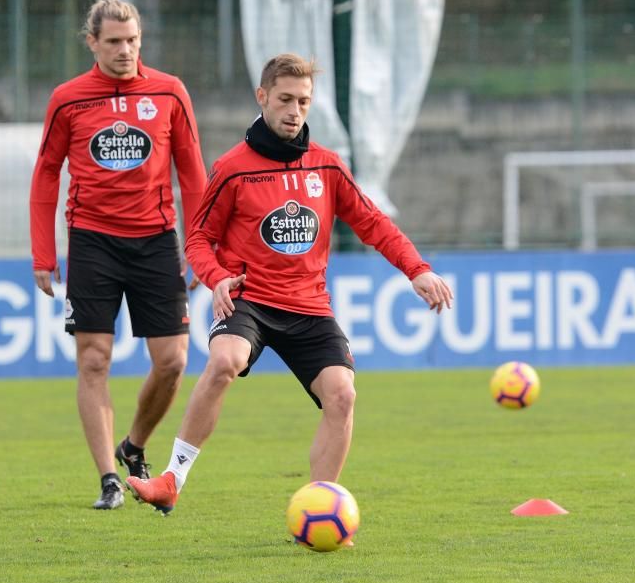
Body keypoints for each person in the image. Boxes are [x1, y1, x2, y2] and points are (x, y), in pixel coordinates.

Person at [126, 53, 453, 519]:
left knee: (342, 393)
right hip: (249, 298)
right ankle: (172, 480)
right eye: (284, 99)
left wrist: (416, 269)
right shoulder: (233, 168)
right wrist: (217, 277)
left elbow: (373, 223)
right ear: (262, 98)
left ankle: (320, 507)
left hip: (308, 306)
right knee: (224, 361)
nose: (294, 110)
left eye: (303, 101)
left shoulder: (327, 167)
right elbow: (198, 238)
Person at [30, 0, 208, 509]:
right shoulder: (67, 98)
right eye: (114, 41)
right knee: (93, 360)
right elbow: (45, 174)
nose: (125, 50)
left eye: (132, 40)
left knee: (173, 361)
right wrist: (44, 254)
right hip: (92, 242)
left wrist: (199, 249)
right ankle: (109, 478)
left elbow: (194, 175)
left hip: (156, 240)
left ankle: (133, 446)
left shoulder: (170, 92)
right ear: (92, 43)